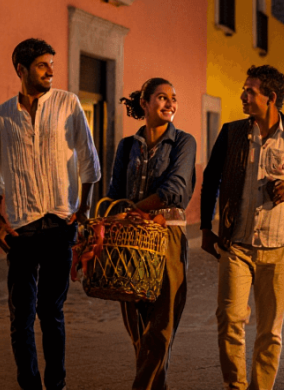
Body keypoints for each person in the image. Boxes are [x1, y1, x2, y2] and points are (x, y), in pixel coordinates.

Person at [200, 64, 284, 390]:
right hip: (237, 245)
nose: (243, 96)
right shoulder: (231, 134)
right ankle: (236, 386)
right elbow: (210, 180)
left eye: (250, 91)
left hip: (281, 246)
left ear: (271, 97)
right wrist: (205, 226)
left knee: (270, 331)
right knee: (229, 320)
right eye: (245, 90)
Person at [0, 38, 101, 390]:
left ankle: (57, 384)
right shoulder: (3, 115)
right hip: (21, 227)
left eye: (51, 63)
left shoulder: (68, 103)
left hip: (59, 223)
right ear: (21, 70)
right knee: (20, 317)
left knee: (51, 314)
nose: (51, 70)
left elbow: (88, 158)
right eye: (42, 65)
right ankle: (29, 384)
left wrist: (83, 210)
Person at [107, 77, 197, 390]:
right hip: (130, 241)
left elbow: (175, 190)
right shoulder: (126, 146)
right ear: (144, 103)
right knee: (138, 329)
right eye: (161, 97)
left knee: (162, 325)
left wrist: (133, 212)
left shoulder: (184, 142)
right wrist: (112, 221)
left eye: (173, 98)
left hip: (167, 237)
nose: (170, 103)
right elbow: (115, 191)